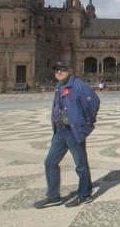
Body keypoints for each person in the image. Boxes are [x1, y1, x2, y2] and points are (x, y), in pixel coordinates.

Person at [34, 61, 100, 209]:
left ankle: (84, 194)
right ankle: (53, 196)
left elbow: (93, 103)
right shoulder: (59, 86)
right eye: (56, 70)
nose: (59, 72)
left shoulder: (79, 86)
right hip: (60, 131)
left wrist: (87, 124)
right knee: (50, 162)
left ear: (70, 70)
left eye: (62, 69)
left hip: (73, 130)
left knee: (80, 165)